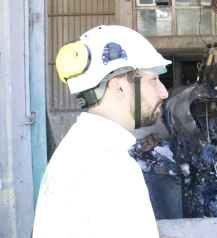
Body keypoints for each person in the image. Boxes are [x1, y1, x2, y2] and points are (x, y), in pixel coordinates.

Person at [33, 25, 173, 237]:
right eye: (154, 80)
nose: (163, 92)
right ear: (119, 87)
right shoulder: (111, 168)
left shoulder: (74, 144)